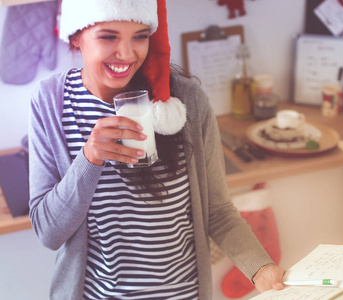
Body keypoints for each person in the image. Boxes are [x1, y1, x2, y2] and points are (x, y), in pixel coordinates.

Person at [28, 0, 285, 299]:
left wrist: (261, 268)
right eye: (108, 36)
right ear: (76, 36)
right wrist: (89, 159)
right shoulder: (50, 102)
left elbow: (218, 211)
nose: (126, 53)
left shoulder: (185, 101)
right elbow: (49, 233)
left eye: (140, 36)